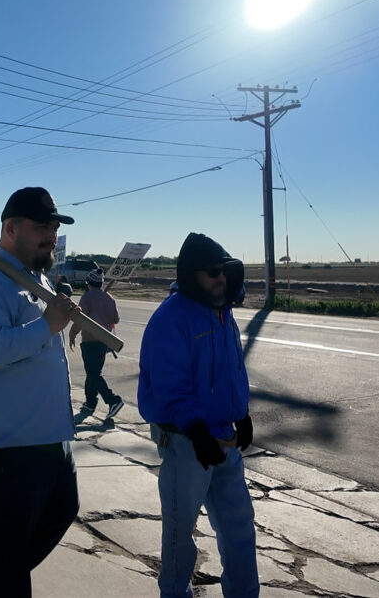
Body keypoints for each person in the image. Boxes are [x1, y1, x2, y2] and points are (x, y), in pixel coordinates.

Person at [0, 186, 81, 598]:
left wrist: (58, 318)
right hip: (6, 443)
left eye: (55, 226)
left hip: (45, 435)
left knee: (63, 511)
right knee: (10, 560)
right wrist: (47, 325)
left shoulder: (36, 277)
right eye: (42, 226)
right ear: (10, 228)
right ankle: (0, 577)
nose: (52, 234)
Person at [138, 232, 258, 598]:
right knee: (180, 533)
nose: (221, 278)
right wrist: (194, 428)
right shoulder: (170, 319)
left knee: (239, 527)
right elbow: (171, 384)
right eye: (212, 273)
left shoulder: (223, 313)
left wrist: (243, 413)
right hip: (185, 442)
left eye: (224, 271)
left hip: (224, 438)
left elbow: (233, 369)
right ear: (191, 275)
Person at [69, 267, 124, 421]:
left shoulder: (87, 297)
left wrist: (72, 334)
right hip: (105, 341)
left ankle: (113, 400)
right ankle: (90, 402)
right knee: (93, 373)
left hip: (90, 341)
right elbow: (116, 319)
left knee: (93, 374)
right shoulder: (109, 298)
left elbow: (81, 318)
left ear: (89, 283)